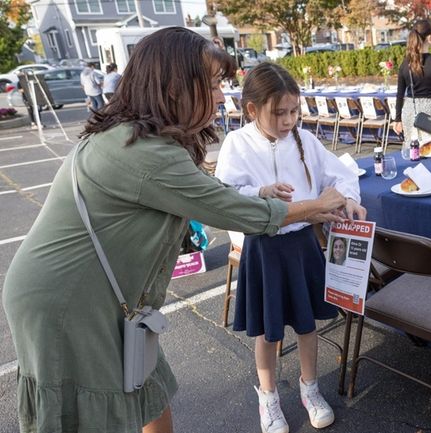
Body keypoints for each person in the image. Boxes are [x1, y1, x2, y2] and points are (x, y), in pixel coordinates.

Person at [2, 27, 346, 433]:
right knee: (89, 414)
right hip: (67, 303)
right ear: (174, 87)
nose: (221, 96)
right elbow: (233, 210)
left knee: (148, 389)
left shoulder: (137, 137)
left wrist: (272, 198)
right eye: (214, 84)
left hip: (105, 297)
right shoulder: (144, 152)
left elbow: (207, 191)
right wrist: (315, 207)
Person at [215, 62, 366, 433]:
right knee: (269, 331)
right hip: (264, 249)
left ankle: (309, 387)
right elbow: (225, 196)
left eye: (294, 111)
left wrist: (348, 199)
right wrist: (260, 193)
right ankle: (268, 397)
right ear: (252, 109)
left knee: (306, 323)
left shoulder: (305, 140)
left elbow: (339, 173)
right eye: (278, 112)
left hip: (301, 244)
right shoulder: (237, 143)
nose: (288, 120)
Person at [393, 19, 431, 142]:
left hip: (409, 110)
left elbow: (399, 94)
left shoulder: (405, 63)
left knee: (413, 150)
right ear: (429, 37)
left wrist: (397, 120)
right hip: (429, 111)